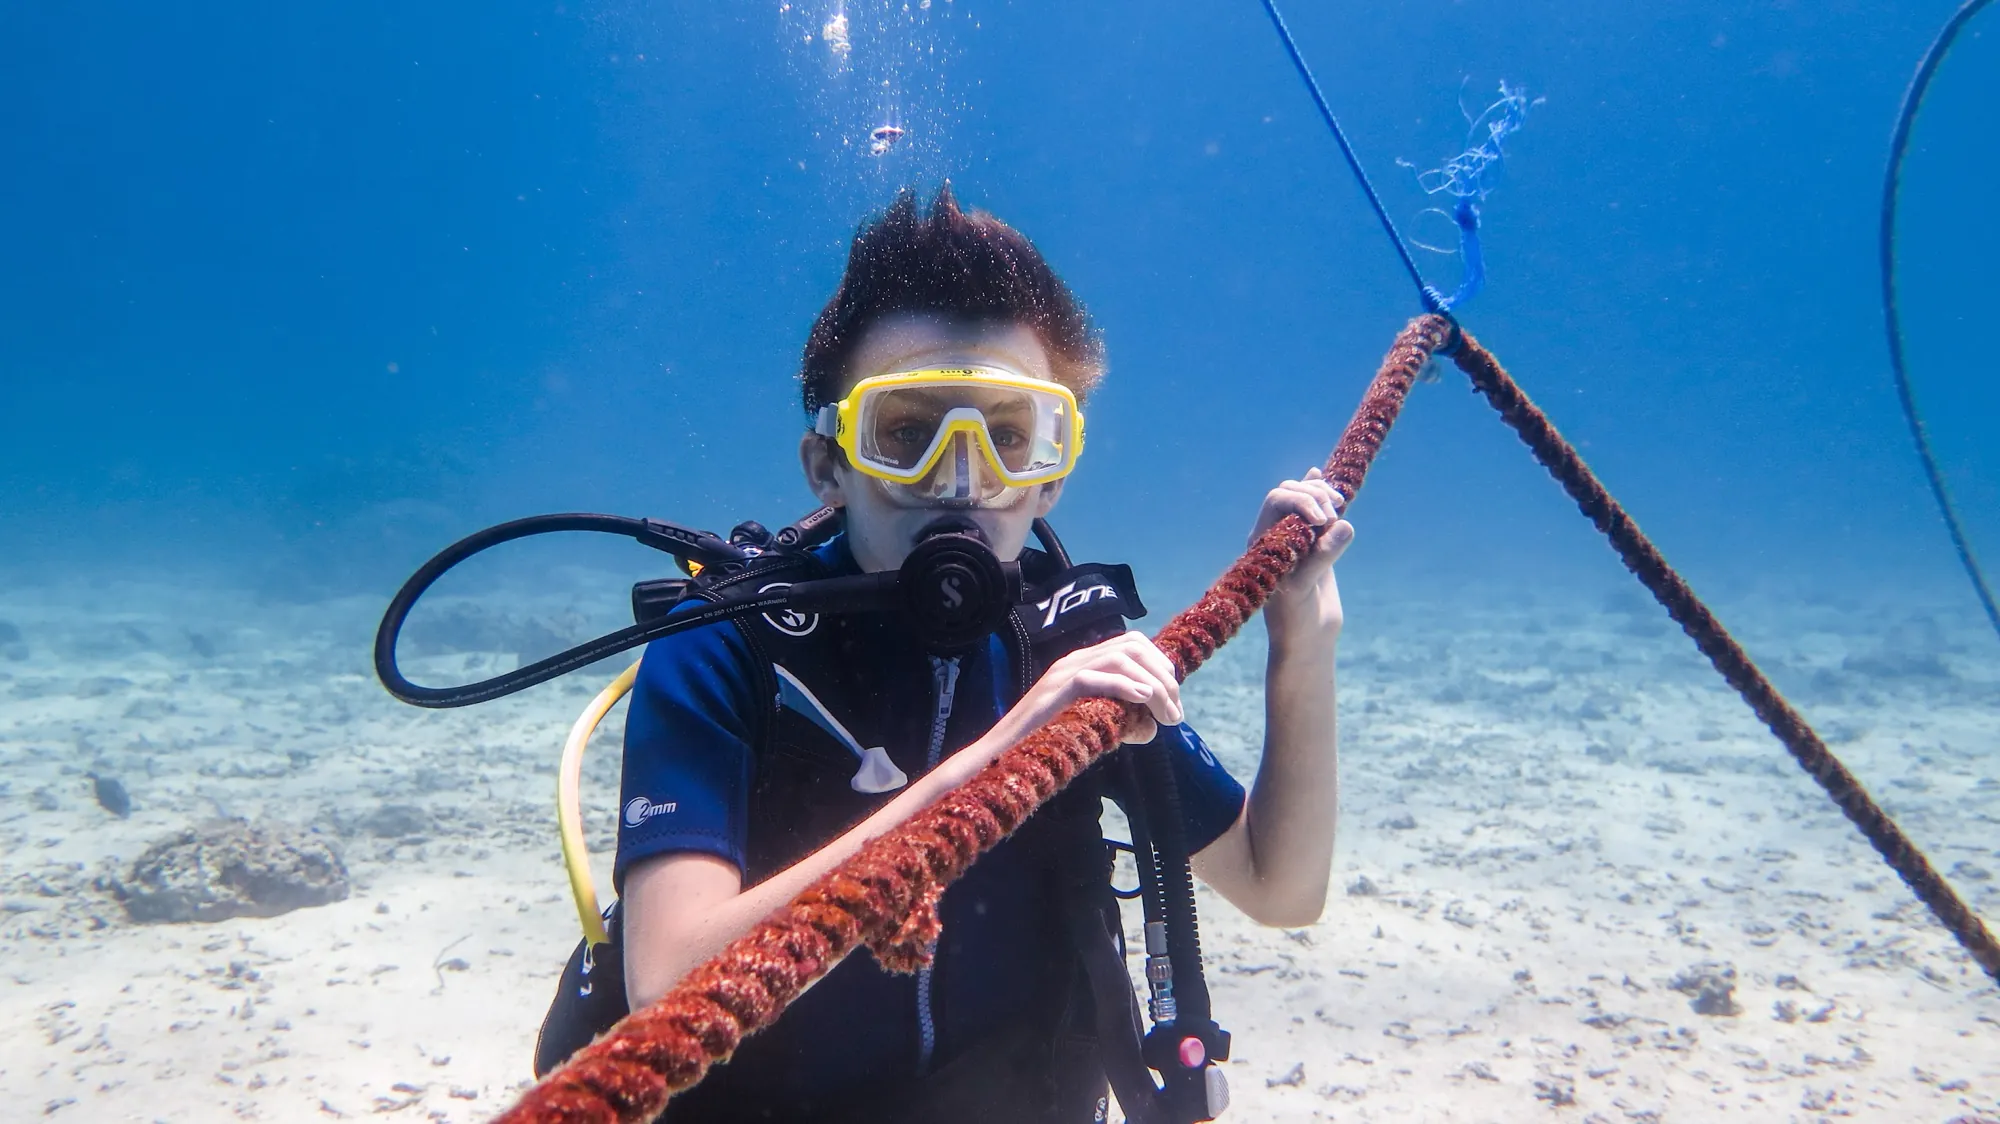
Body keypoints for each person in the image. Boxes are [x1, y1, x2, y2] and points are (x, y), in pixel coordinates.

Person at [534, 184, 1352, 1123]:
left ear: (1050, 477)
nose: (962, 480)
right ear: (831, 466)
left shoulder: (1071, 652)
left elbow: (1282, 886)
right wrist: (999, 757)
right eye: (908, 434)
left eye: (1009, 436)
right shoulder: (728, 647)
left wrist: (1302, 645)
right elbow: (667, 988)